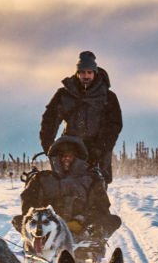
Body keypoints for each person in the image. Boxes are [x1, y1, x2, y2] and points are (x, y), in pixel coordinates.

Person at [39, 51, 123, 184]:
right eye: (82, 72)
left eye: (89, 72)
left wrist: (101, 148)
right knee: (65, 187)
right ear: (77, 73)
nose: (86, 76)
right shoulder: (64, 94)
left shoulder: (108, 97)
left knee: (95, 189)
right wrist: (48, 145)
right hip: (70, 148)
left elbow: (114, 125)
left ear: (95, 73)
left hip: (98, 149)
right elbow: (50, 119)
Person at [15, 135, 121, 239]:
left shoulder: (91, 179)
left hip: (83, 228)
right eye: (63, 156)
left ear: (77, 158)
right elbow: (29, 204)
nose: (66, 159)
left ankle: (91, 242)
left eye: (70, 156)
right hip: (47, 228)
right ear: (56, 158)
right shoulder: (41, 179)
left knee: (112, 220)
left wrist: (81, 220)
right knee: (19, 220)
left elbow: (101, 208)